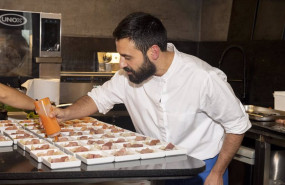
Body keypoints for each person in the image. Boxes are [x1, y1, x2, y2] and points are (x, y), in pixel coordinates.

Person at [50, 12, 251, 185]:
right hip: (157, 165)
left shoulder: (204, 78)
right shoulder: (126, 77)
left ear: (153, 51)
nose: (121, 64)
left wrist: (217, 173)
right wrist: (66, 113)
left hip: (201, 168)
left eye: (127, 57)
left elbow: (237, 125)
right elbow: (97, 98)